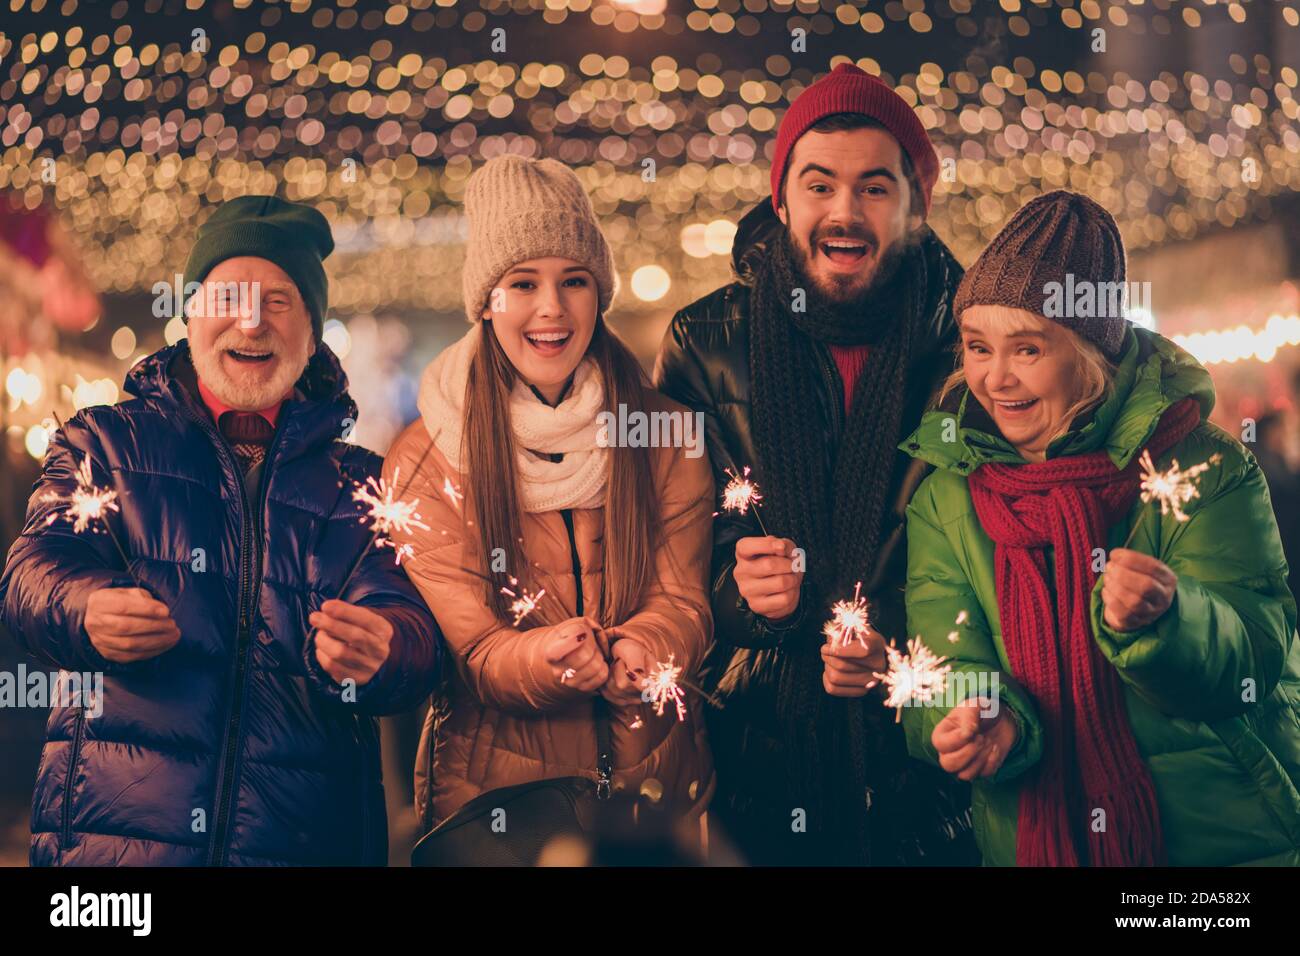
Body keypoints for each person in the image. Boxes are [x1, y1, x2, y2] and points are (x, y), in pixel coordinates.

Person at [0, 196, 442, 865]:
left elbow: (415, 634)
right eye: (227, 295)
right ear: (192, 312)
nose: (251, 320)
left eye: (280, 300)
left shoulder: (363, 487)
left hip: (303, 844)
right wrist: (84, 608)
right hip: (114, 849)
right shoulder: (104, 446)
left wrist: (385, 652)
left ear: (312, 329)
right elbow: (29, 576)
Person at [900, 190, 1300, 865]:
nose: (995, 378)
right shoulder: (947, 495)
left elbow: (1256, 655)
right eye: (977, 347)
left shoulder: (1202, 464)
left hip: (1220, 838)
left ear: (1090, 350)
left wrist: (1167, 622)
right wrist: (974, 716)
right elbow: (938, 662)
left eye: (1026, 348)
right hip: (1037, 835)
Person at [654, 62, 974, 864]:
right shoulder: (706, 342)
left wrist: (896, 650)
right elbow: (670, 551)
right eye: (819, 184)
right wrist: (742, 589)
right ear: (782, 198)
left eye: (874, 187)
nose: (844, 211)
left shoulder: (973, 350)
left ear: (915, 206)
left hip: (931, 759)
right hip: (756, 750)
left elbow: (995, 557)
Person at [384, 156, 715, 836]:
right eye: (522, 283)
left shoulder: (665, 433)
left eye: (574, 281)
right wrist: (545, 659)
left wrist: (649, 646)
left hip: (652, 792)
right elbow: (474, 650)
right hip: (500, 808)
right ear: (487, 301)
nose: (551, 309)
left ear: (600, 295)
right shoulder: (428, 455)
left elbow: (683, 600)